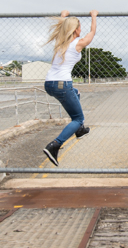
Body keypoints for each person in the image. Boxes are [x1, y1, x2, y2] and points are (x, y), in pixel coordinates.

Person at [42, 9, 98, 166]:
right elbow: (92, 32)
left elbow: (62, 29)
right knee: (78, 118)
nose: (82, 29)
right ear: (76, 29)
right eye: (80, 26)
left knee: (76, 92)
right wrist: (93, 16)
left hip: (49, 84)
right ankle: (55, 145)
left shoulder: (61, 42)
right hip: (62, 84)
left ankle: (79, 130)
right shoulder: (77, 44)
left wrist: (63, 17)